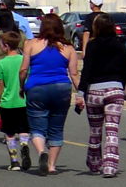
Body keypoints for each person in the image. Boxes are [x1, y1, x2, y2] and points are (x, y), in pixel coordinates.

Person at [19, 14, 79, 176]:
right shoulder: (68, 48)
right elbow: (74, 74)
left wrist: (21, 86)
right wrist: (80, 93)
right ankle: (52, 165)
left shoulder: (31, 44)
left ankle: (40, 152)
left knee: (37, 126)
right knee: (57, 127)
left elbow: (23, 69)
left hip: (37, 88)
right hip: (61, 88)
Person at [78, 13, 126, 177]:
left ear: (96, 28)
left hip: (94, 90)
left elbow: (86, 70)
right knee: (112, 131)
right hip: (114, 89)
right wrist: (122, 85)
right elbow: (125, 69)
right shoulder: (120, 45)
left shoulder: (92, 46)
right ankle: (110, 166)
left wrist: (81, 92)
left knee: (95, 130)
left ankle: (94, 164)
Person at [0, 31, 32, 171]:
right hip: (23, 100)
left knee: (9, 133)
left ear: (5, 46)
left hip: (8, 102)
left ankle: (14, 161)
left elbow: (0, 85)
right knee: (24, 129)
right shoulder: (24, 61)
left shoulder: (1, 63)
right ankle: (24, 145)